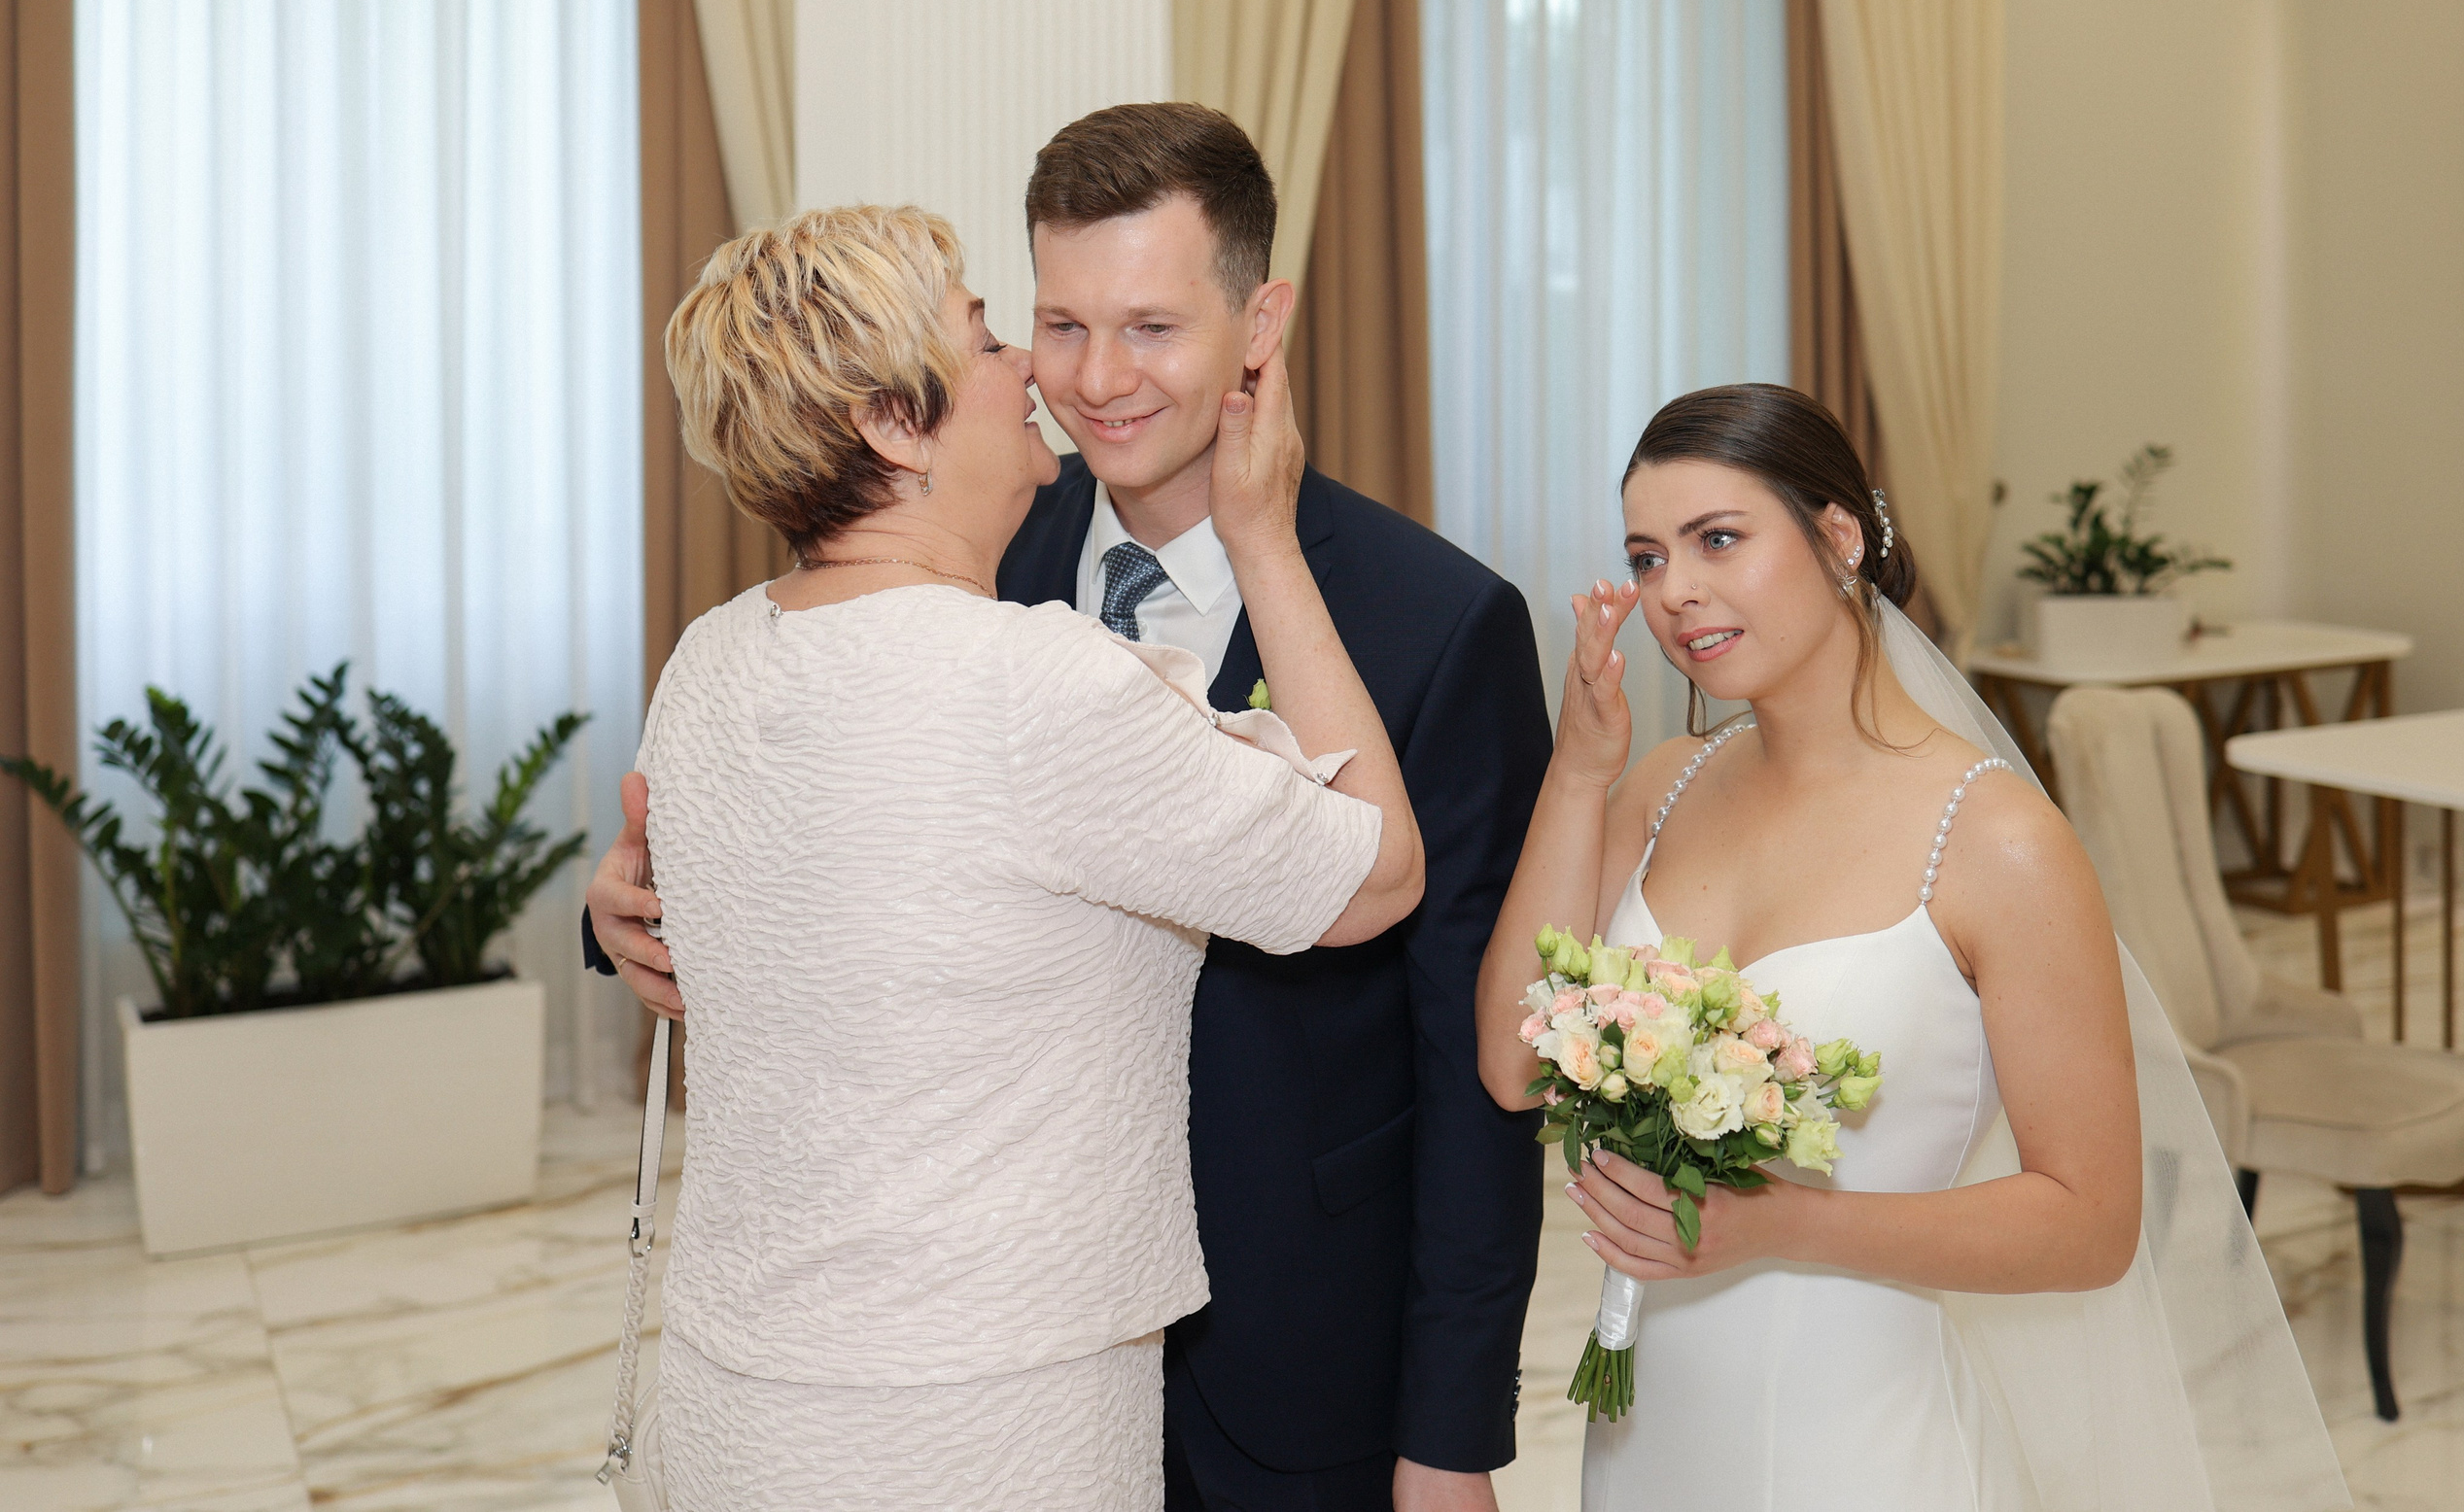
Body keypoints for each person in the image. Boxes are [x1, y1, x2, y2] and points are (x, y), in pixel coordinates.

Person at [590, 104, 1548, 1511]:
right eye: (1045, 327)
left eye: (1153, 327)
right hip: (992, 1392)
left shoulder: (1438, 619)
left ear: (1259, 323)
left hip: (1294, 1364)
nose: (1092, 381)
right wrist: (625, 915)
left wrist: (1451, 1426)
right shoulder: (978, 580)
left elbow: (1474, 1059)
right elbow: (784, 851)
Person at [1475, 385, 2348, 1511]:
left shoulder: (1998, 844)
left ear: (1838, 537)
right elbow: (1509, 1063)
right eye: (1646, 558)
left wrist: (1782, 1223)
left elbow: (2090, 1223)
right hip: (1648, 1436)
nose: (1674, 592)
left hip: (1862, 1452)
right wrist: (1580, 770)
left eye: (1719, 540)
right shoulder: (1660, 784)